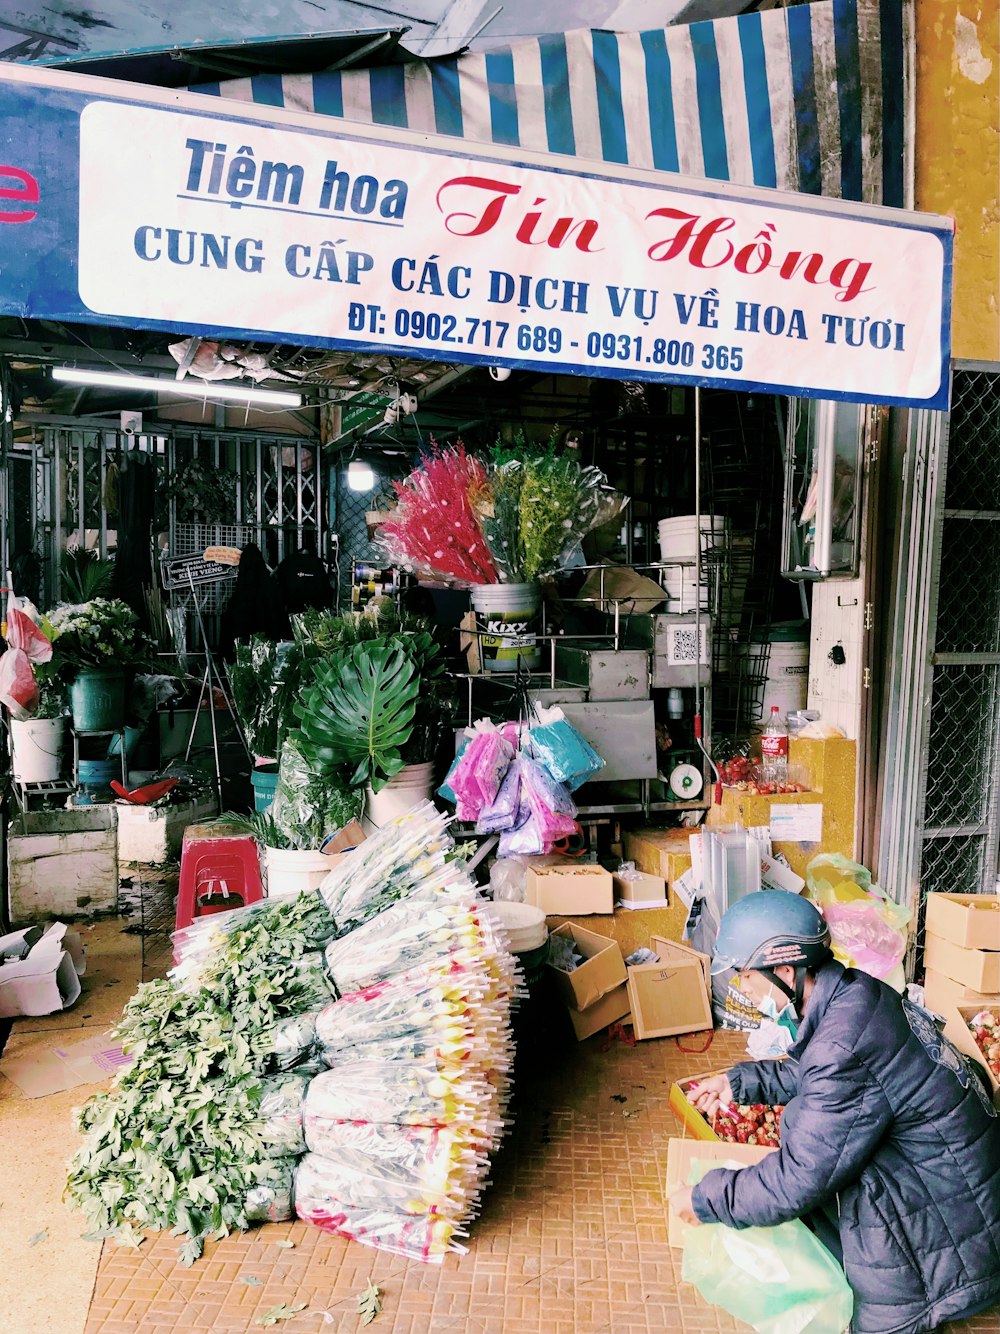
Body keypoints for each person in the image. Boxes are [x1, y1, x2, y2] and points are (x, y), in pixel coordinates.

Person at [668, 890, 1000, 1334]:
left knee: (815, 1183)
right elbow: (827, 1074)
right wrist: (740, 1082)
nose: (742, 990)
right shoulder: (857, 994)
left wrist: (704, 1198)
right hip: (962, 1190)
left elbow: (796, 1180)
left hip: (952, 1240)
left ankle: (911, 1309)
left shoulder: (843, 1046)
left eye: (747, 977)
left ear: (785, 970)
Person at [218, 543, 290, 660]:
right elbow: (278, 615)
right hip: (267, 645)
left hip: (244, 646)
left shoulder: (241, 589)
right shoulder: (269, 586)